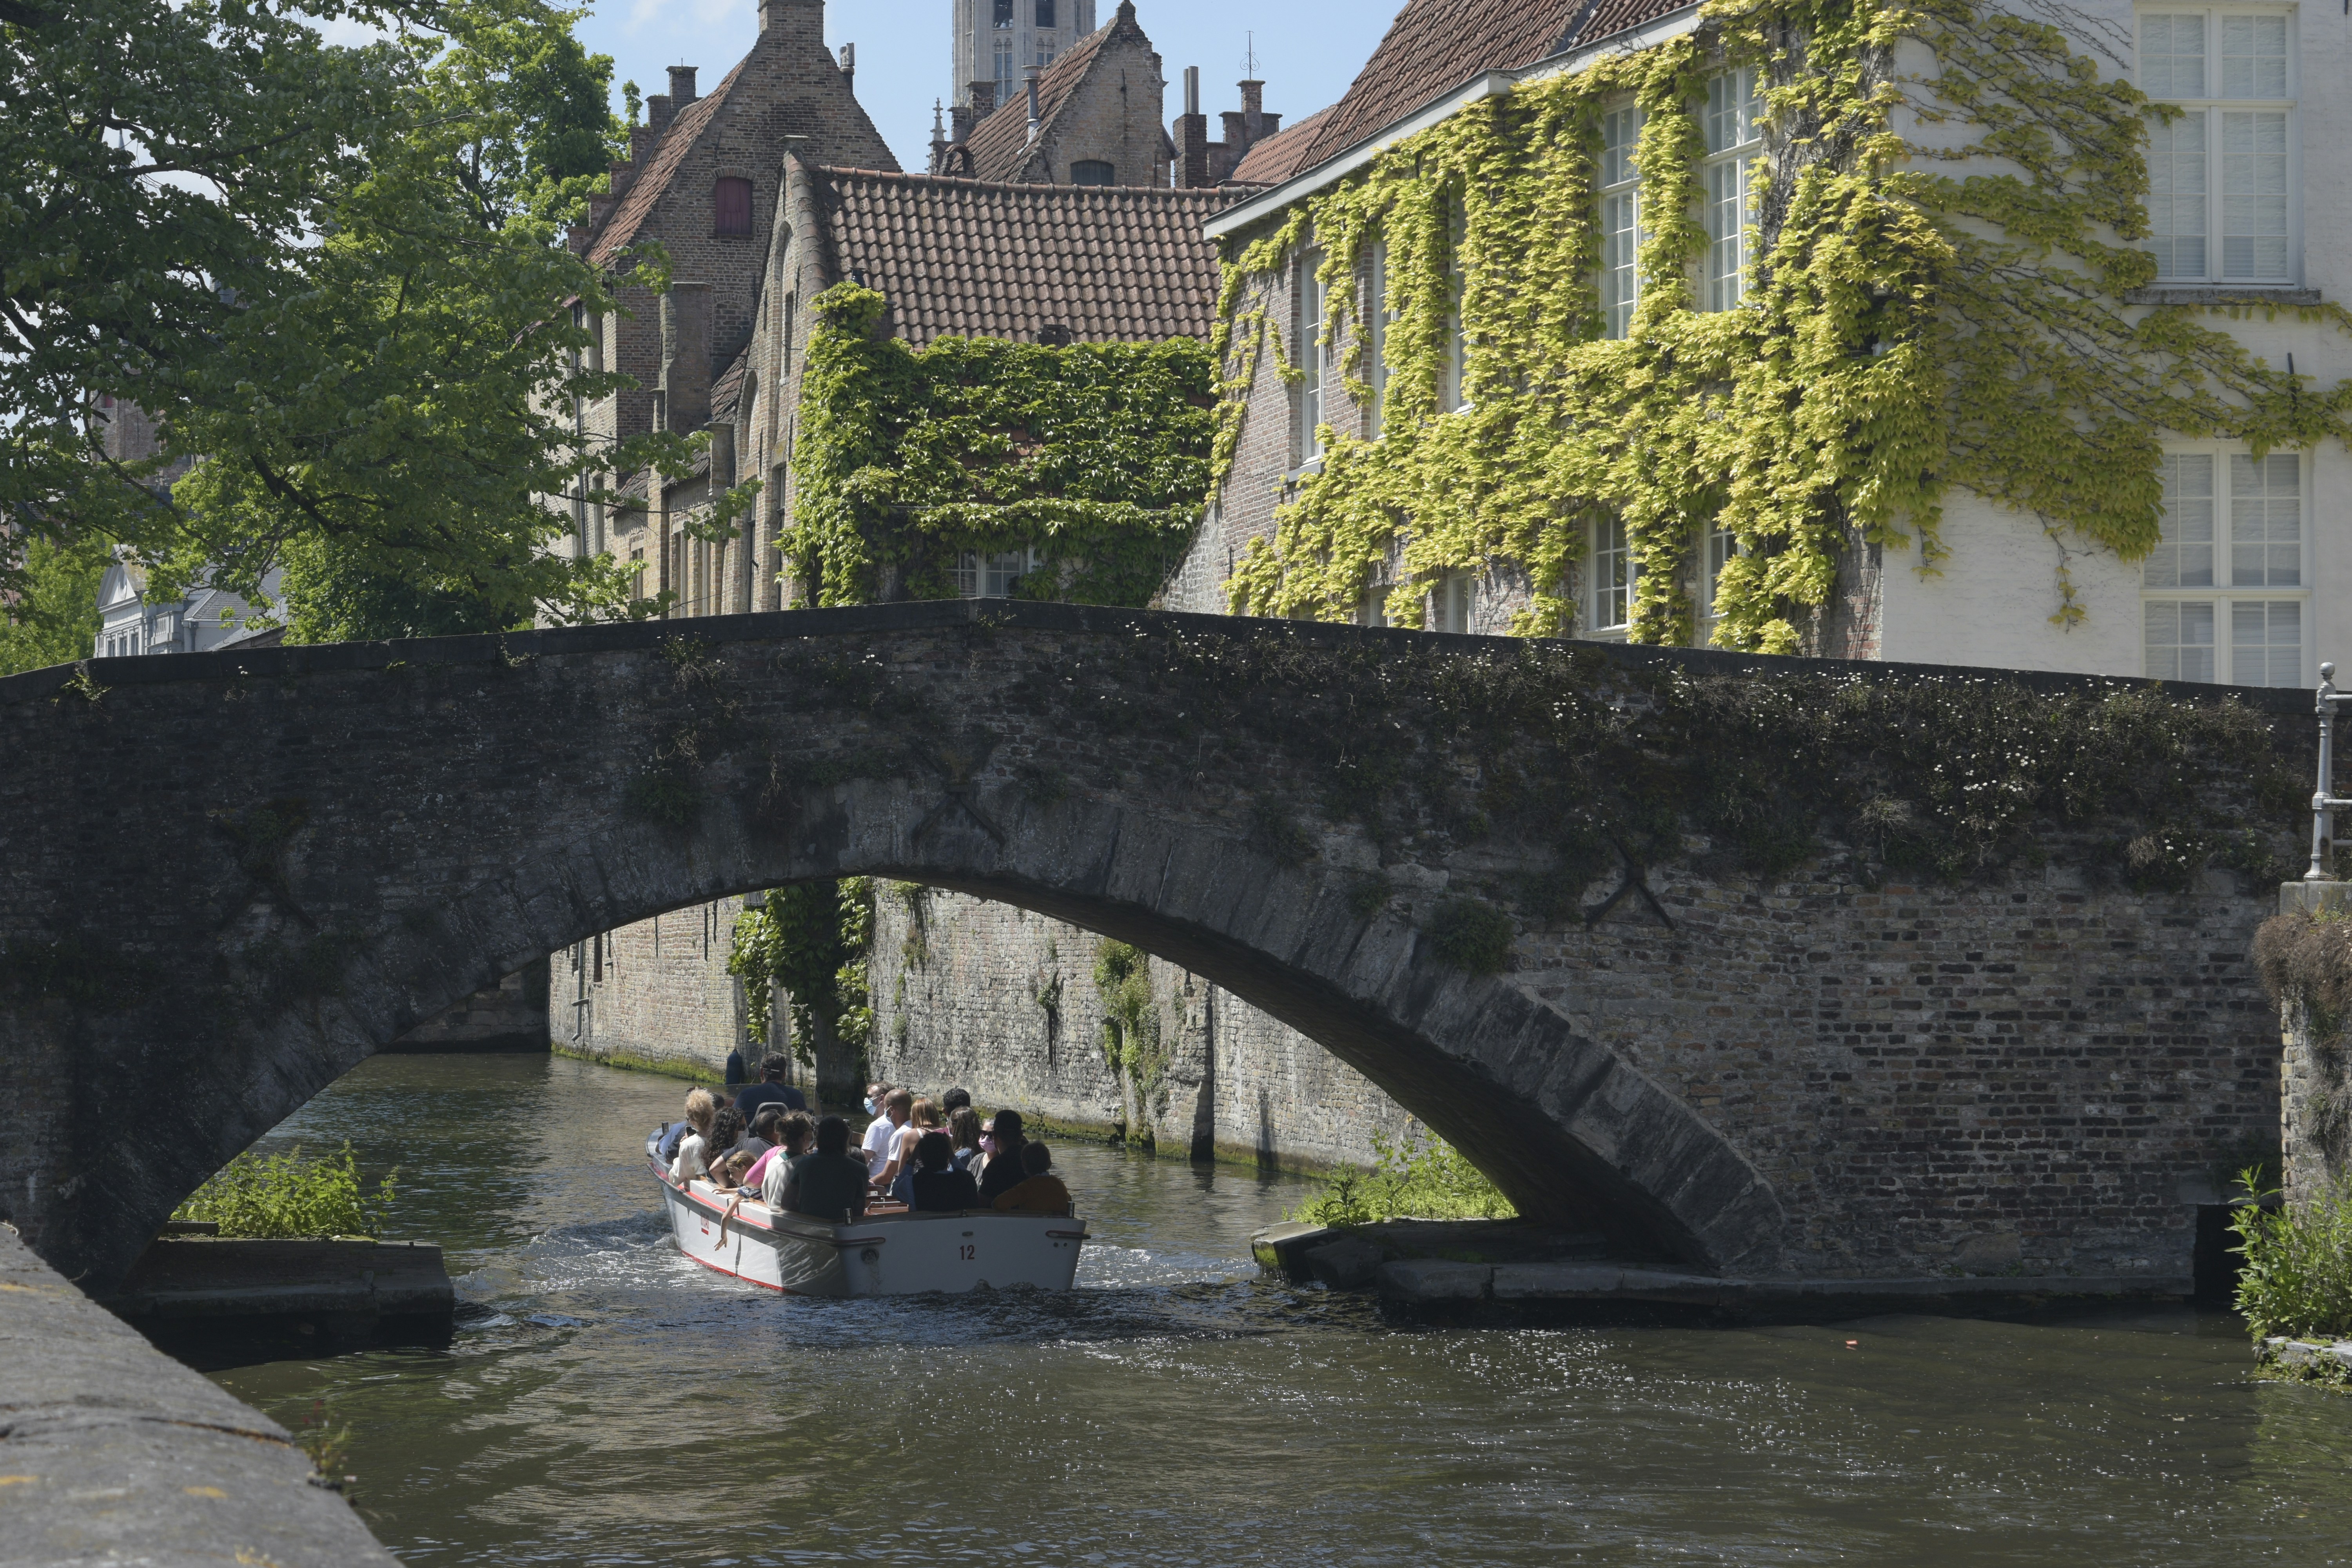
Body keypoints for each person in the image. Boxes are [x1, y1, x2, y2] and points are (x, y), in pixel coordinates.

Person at [777, 1116, 871, 1223]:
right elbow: (858, 1214)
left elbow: (787, 1203)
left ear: (818, 1137)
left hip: (809, 1227)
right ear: (846, 1139)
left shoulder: (804, 1164)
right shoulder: (861, 1170)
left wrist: (808, 1214)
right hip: (842, 1230)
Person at [877, 1096, 942, 1203]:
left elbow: (902, 1170)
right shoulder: (945, 1134)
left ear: (915, 1115)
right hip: (941, 1184)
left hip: (918, 1186)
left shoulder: (911, 1135)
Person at [992, 1142, 1073, 1216]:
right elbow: (1068, 1200)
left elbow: (998, 1204)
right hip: (1056, 1228)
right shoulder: (1060, 1185)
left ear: (1025, 1165)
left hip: (1032, 1228)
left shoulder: (1026, 1188)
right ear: (1050, 1164)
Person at [751, 1112, 816, 1202]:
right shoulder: (807, 1163)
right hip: (796, 1215)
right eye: (811, 1130)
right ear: (806, 1135)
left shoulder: (773, 1161)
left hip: (772, 1211)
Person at [909, 1131, 980, 1212]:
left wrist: (912, 1158)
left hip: (926, 1225)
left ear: (921, 1156)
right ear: (947, 1154)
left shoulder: (914, 1182)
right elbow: (965, 1174)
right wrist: (951, 1154)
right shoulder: (965, 1180)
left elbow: (897, 1189)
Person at [976, 1110, 1029, 1206]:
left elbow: (982, 1202)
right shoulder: (1032, 1159)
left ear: (995, 1136)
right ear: (1020, 1135)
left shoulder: (995, 1166)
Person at [864, 1087, 913, 1191]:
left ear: (891, 1110)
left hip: (885, 1186)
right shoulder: (915, 1127)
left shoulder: (900, 1134)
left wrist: (864, 1186)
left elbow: (887, 1177)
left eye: (885, 1108)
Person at [733, 1054, 808, 1122]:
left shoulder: (745, 1095)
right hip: (787, 1137)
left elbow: (732, 1120)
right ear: (784, 1075)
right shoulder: (797, 1096)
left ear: (762, 1072)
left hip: (752, 1137)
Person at [668, 1088, 718, 1181]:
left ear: (692, 1120)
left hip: (700, 1189)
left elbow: (675, 1180)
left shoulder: (688, 1144)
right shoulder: (722, 1138)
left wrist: (677, 1159)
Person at [859, 1082, 898, 1174]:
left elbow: (863, 1161)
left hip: (874, 1179)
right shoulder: (903, 1122)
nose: (867, 1100)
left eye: (870, 1097)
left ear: (882, 1098)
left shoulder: (877, 1126)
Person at [947, 1106, 985, 1176]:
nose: (949, 1127)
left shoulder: (962, 1155)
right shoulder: (981, 1148)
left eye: (950, 1124)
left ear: (956, 1127)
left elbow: (949, 1179)